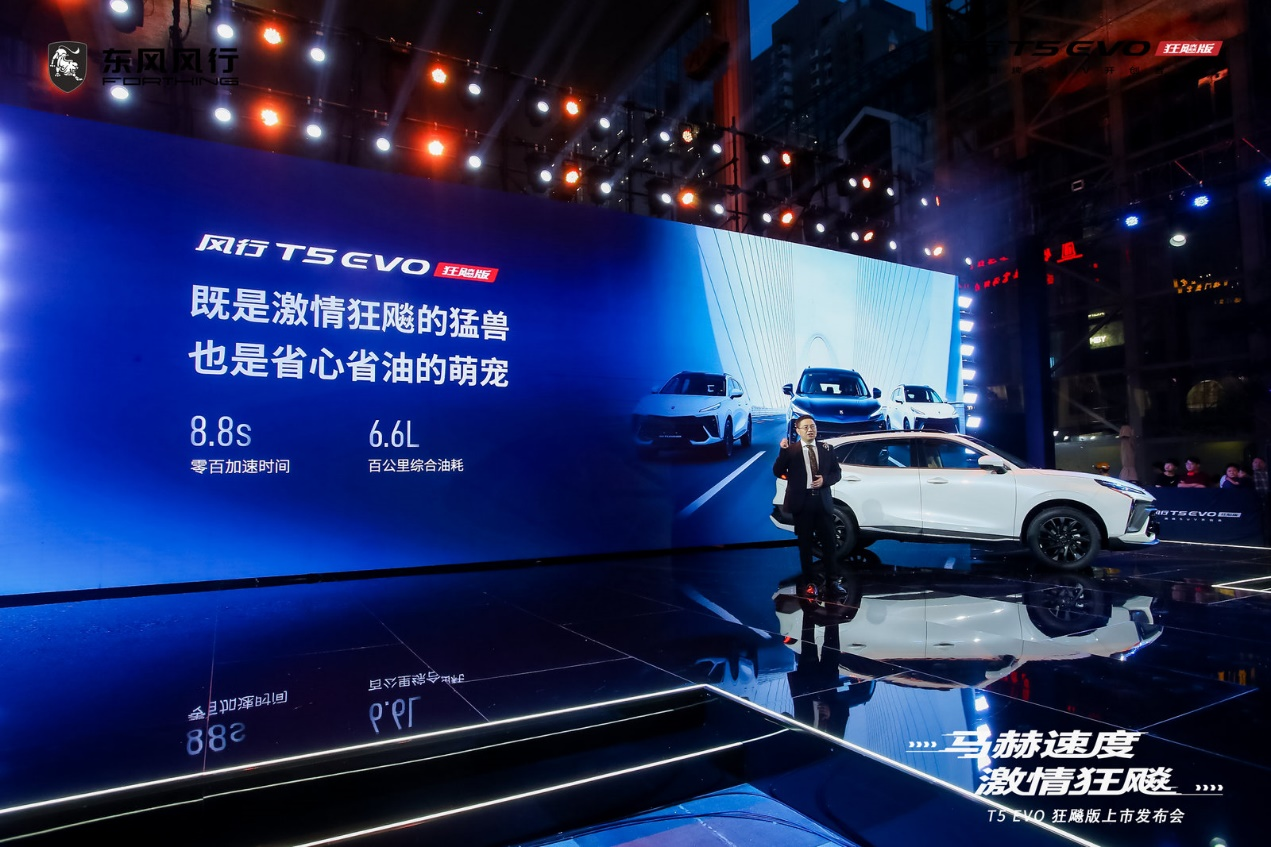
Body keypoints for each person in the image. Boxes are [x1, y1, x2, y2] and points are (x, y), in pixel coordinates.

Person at [774, 415, 844, 598]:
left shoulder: (826, 449)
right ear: (798, 430)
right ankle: (810, 583)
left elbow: (837, 473)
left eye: (812, 426)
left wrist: (824, 480)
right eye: (805, 427)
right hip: (802, 504)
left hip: (822, 502)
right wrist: (782, 451)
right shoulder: (791, 451)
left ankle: (833, 582)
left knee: (830, 544)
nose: (810, 430)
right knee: (805, 546)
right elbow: (777, 471)